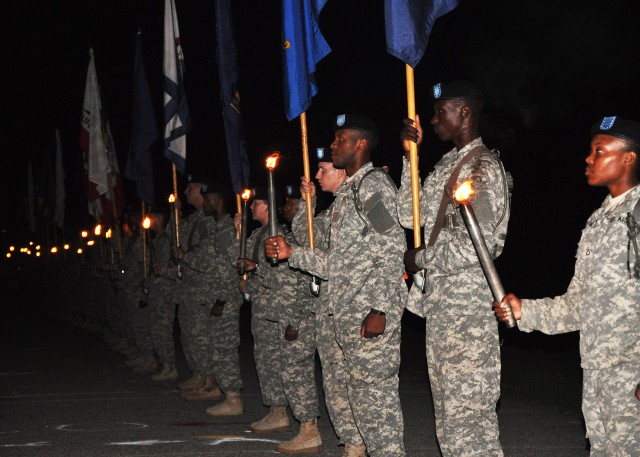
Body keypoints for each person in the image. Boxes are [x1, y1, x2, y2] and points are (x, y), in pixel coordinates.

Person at [494, 116, 640, 456]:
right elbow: (578, 305)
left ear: (628, 158)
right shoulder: (598, 221)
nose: (588, 159)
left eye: (599, 151)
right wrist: (524, 311)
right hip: (599, 376)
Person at [267, 114, 407, 457]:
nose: (332, 145)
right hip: (347, 317)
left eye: (339, 139)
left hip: (368, 314)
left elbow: (392, 251)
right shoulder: (349, 195)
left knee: (378, 408)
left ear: (360, 144)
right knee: (361, 403)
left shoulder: (373, 186)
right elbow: (337, 264)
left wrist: (380, 309)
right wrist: (293, 253)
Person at [400, 81, 510, 456]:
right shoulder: (447, 165)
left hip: (467, 313)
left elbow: (478, 245)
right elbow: (407, 214)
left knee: (471, 423)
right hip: (442, 310)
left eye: (439, 111)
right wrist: (409, 158)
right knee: (449, 423)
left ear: (464, 112)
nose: (431, 120)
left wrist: (421, 260)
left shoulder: (482, 168)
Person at [173, 175, 221, 401]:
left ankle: (209, 380)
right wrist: (175, 213)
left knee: (202, 335)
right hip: (190, 287)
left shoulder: (209, 221)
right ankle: (199, 373)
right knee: (191, 334)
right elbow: (177, 238)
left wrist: (186, 257)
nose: (185, 192)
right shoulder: (194, 219)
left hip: (204, 286)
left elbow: (208, 253)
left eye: (190, 188)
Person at [201, 189, 244, 416]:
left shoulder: (228, 229)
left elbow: (233, 268)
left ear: (217, 201)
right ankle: (225, 391)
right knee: (218, 347)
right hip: (215, 297)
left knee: (225, 348)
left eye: (207, 200)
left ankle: (233, 399)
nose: (203, 204)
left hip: (224, 299)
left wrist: (222, 299)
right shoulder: (217, 228)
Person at [147, 209, 180, 382]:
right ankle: (163, 363)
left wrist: (162, 270)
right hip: (157, 291)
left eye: (152, 217)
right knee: (156, 329)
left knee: (163, 330)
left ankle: (169, 366)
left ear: (159, 218)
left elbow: (176, 269)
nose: (150, 221)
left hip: (165, 291)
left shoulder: (167, 240)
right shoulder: (157, 240)